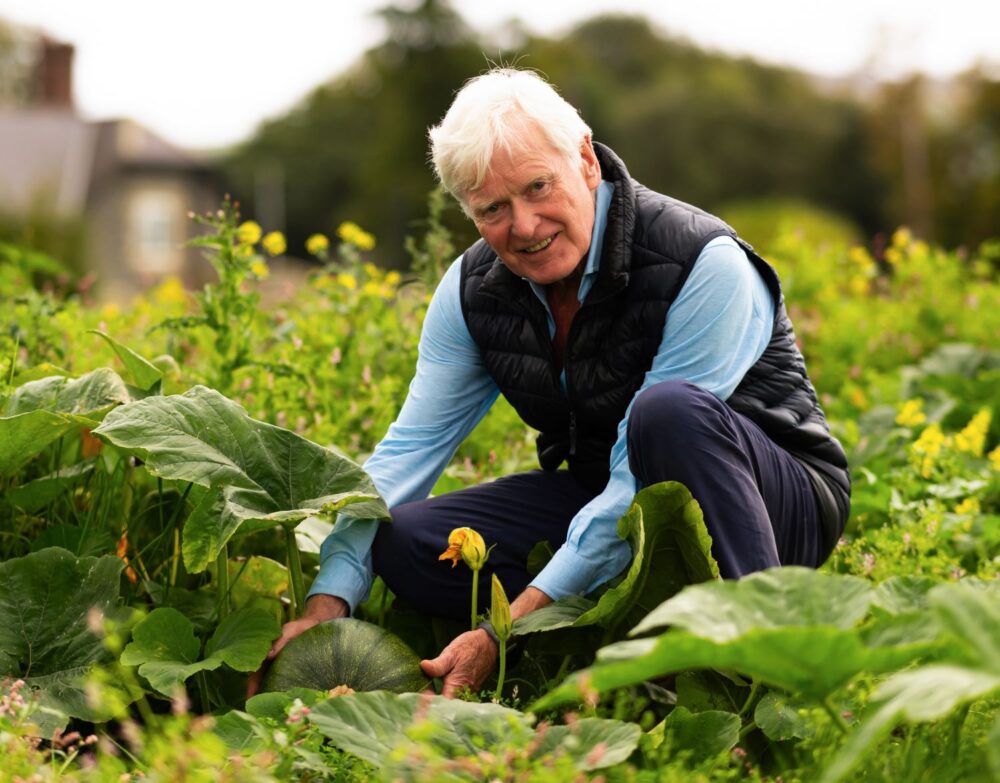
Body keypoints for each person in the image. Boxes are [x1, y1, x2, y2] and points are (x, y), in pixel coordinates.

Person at [249, 67, 850, 698]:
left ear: (586, 158)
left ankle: (763, 669)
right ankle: (612, 642)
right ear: (467, 210)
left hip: (770, 504)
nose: (526, 225)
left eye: (539, 187)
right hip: (603, 494)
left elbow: (637, 474)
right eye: (493, 209)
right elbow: (408, 451)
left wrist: (511, 624)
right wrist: (327, 601)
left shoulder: (705, 264)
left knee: (667, 414)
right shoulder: (472, 292)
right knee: (406, 543)